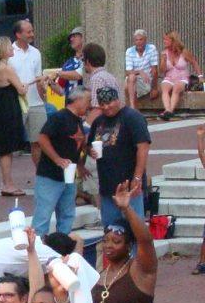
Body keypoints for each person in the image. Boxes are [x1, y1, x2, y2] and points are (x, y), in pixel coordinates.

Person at [86, 88, 151, 227]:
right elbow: (89, 144)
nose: (106, 107)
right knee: (111, 228)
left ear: (117, 100)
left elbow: (143, 147)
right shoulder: (98, 121)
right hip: (107, 185)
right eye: (102, 104)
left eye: (109, 102)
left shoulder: (132, 117)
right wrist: (90, 151)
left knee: (134, 227)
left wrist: (137, 177)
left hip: (129, 184)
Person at [33, 86, 91, 238]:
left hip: (68, 176)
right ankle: (37, 248)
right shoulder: (59, 117)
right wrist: (57, 159)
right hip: (50, 175)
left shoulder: (78, 121)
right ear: (77, 100)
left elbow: (73, 145)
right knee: (43, 215)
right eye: (87, 100)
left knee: (67, 215)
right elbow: (42, 138)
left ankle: (62, 245)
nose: (89, 104)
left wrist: (80, 164)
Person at [0, 36, 28, 197]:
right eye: (9, 47)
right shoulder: (7, 68)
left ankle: (7, 181)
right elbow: (21, 89)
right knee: (7, 148)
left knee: (6, 147)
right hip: (8, 108)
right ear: (4, 49)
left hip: (0, 105)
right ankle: (7, 183)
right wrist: (25, 85)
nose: (12, 48)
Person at [8, 20, 48, 167]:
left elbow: (38, 78)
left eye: (32, 31)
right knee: (10, 145)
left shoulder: (36, 52)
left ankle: (40, 175)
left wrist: (43, 94)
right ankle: (8, 181)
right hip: (17, 103)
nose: (32, 34)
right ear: (18, 34)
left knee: (39, 141)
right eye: (28, 32)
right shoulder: (9, 53)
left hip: (36, 103)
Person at [158, 31, 200, 120]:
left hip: (182, 78)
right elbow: (161, 71)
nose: (164, 41)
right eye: (164, 39)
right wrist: (163, 61)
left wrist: (200, 76)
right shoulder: (164, 53)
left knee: (176, 88)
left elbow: (194, 62)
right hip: (169, 77)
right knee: (164, 87)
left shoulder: (184, 52)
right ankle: (167, 110)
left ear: (173, 40)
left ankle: (170, 111)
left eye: (166, 39)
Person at [124, 28, 160, 110]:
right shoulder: (129, 51)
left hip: (147, 80)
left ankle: (133, 110)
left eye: (141, 40)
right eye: (136, 40)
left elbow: (154, 70)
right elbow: (128, 72)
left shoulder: (151, 48)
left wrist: (154, 88)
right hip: (134, 79)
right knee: (130, 79)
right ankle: (133, 108)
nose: (138, 42)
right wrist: (140, 72)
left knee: (129, 84)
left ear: (145, 40)